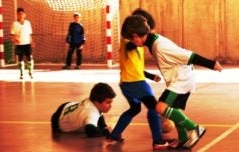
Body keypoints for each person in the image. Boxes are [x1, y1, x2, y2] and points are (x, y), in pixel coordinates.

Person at [121, 14, 222, 149]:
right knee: (174, 109)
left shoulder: (160, 46)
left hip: (181, 79)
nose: (132, 43)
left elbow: (188, 55)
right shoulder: (152, 41)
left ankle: (194, 128)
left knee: (160, 107)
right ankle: (183, 138)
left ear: (135, 35)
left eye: (131, 39)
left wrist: (211, 64)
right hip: (180, 77)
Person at [105, 14, 173, 150]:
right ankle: (158, 141)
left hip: (127, 83)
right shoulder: (127, 43)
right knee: (154, 108)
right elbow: (130, 45)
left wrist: (151, 76)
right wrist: (136, 40)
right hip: (135, 84)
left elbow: (136, 68)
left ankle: (114, 135)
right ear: (135, 35)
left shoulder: (137, 46)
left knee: (134, 109)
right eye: (144, 33)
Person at [51, 82, 115, 138]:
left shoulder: (92, 101)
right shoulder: (91, 112)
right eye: (108, 102)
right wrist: (106, 132)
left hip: (67, 106)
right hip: (57, 121)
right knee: (94, 126)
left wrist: (104, 127)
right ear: (97, 102)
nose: (111, 106)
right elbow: (90, 131)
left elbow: (99, 116)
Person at [10, 7, 35, 79]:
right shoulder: (14, 24)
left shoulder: (28, 23)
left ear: (25, 15)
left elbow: (29, 33)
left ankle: (30, 72)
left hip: (27, 44)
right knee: (20, 59)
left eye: (22, 14)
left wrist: (31, 41)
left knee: (30, 57)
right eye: (19, 14)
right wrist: (14, 40)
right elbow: (12, 34)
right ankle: (21, 74)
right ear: (17, 15)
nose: (20, 15)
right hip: (19, 45)